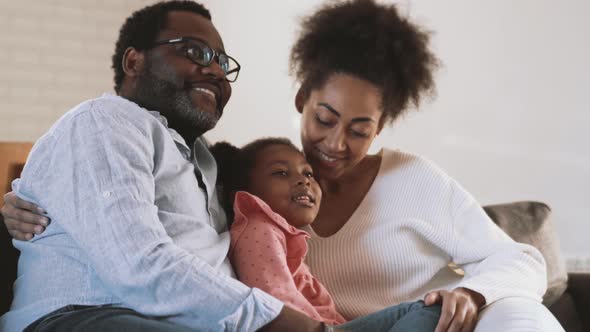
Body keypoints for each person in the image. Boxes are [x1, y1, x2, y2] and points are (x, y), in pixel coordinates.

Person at [2, 0, 564, 331]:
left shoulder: (411, 180)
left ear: (382, 126)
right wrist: (22, 200)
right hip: (151, 318)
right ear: (301, 100)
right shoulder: (252, 174)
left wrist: (476, 294)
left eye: (361, 129)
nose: (335, 145)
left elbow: (520, 257)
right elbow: (132, 246)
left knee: (447, 318)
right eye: (325, 117)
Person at [0, 1, 325, 331]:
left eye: (222, 62)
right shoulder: (105, 122)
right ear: (133, 61)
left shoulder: (210, 160)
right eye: (195, 52)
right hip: (91, 315)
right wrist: (290, 323)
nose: (215, 71)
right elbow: (139, 265)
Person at [209, 138, 441, 331]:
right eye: (280, 173)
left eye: (308, 174)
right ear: (241, 191)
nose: (303, 181)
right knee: (425, 311)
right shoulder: (259, 228)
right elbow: (275, 301)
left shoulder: (281, 235)